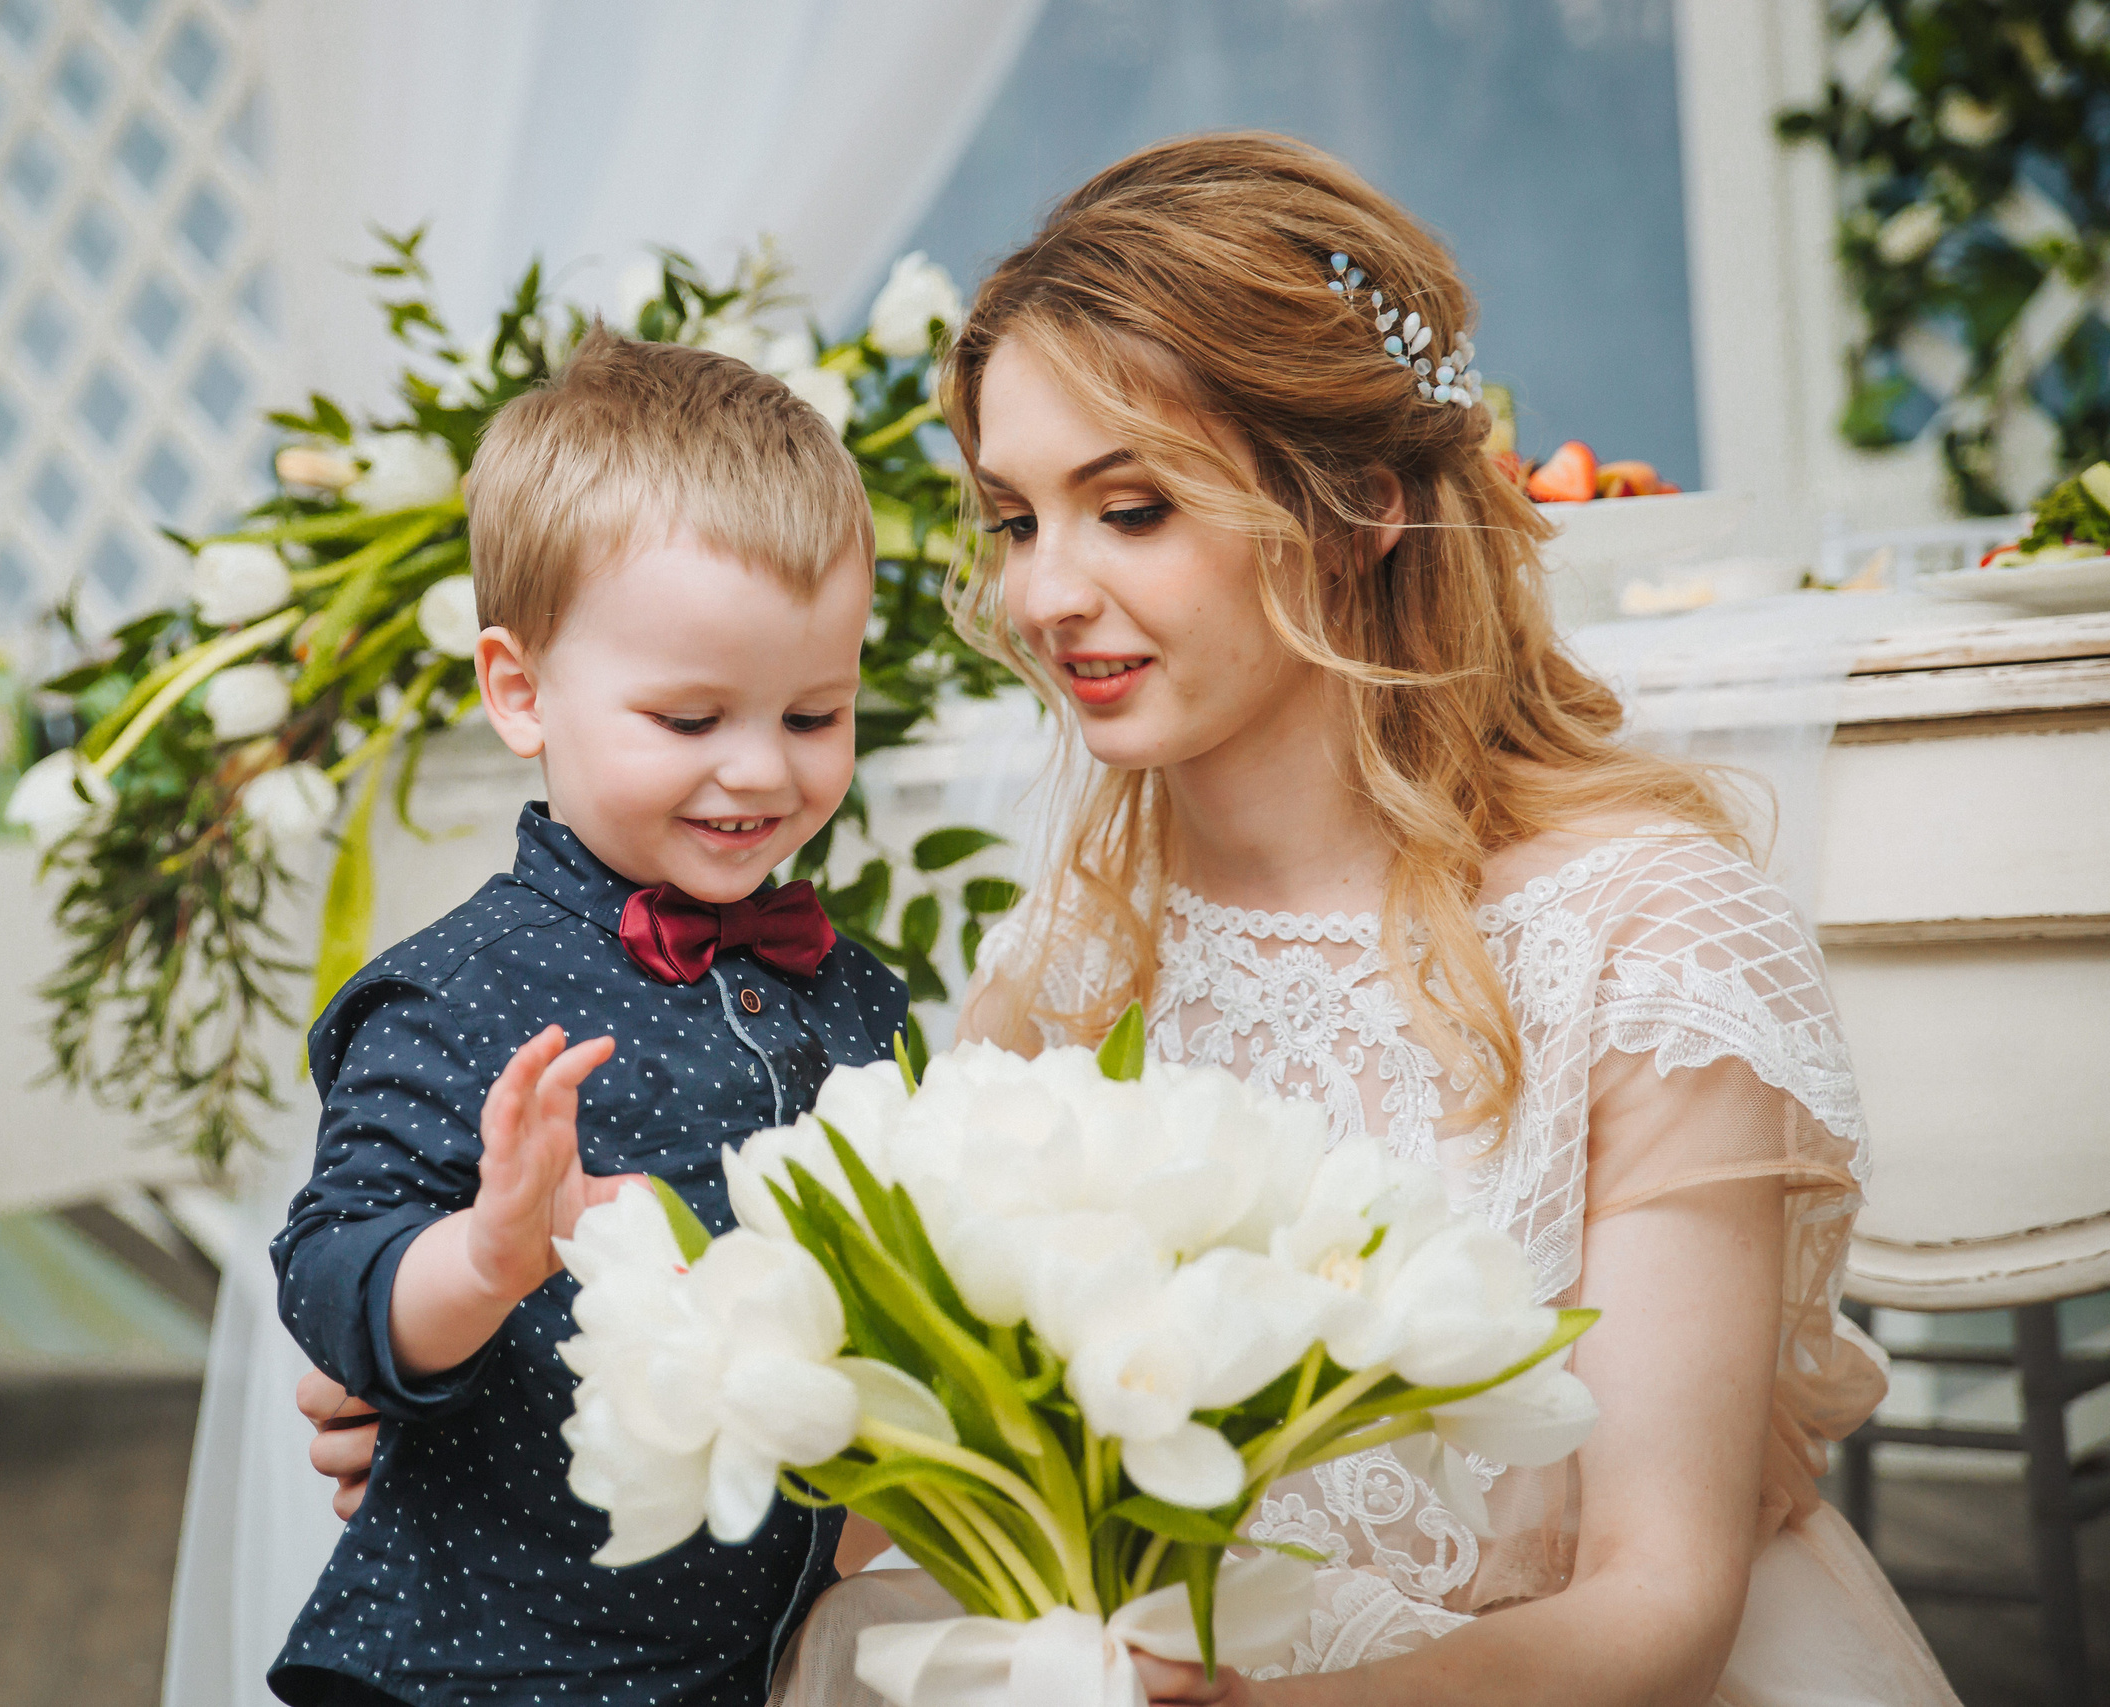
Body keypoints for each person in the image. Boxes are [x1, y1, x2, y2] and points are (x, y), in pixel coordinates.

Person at [768, 133, 1961, 1705]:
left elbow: (1664, 1602)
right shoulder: (1077, 958)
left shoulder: (1650, 945)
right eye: (1016, 520)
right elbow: (927, 1487)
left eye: (1132, 510)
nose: (1045, 595)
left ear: (1360, 509)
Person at [269, 329, 909, 1707]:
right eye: (688, 719)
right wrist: (483, 1257)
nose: (761, 770)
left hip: (747, 1660)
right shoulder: (452, 998)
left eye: (814, 714)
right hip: (492, 1669)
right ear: (520, 691)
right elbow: (331, 1274)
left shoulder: (856, 997)